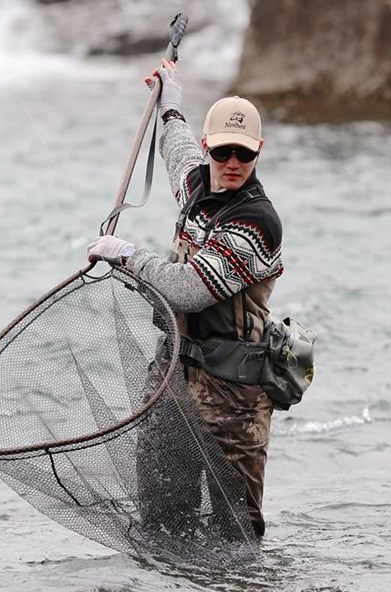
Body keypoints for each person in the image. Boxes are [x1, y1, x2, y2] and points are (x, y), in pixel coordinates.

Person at [87, 59, 283, 537]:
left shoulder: (257, 222)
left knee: (233, 539)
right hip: (171, 379)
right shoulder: (196, 183)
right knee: (160, 525)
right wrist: (169, 104)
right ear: (208, 147)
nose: (232, 163)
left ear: (258, 151)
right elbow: (177, 151)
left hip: (233, 399)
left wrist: (127, 254)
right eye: (222, 151)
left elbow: (189, 290)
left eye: (243, 153)